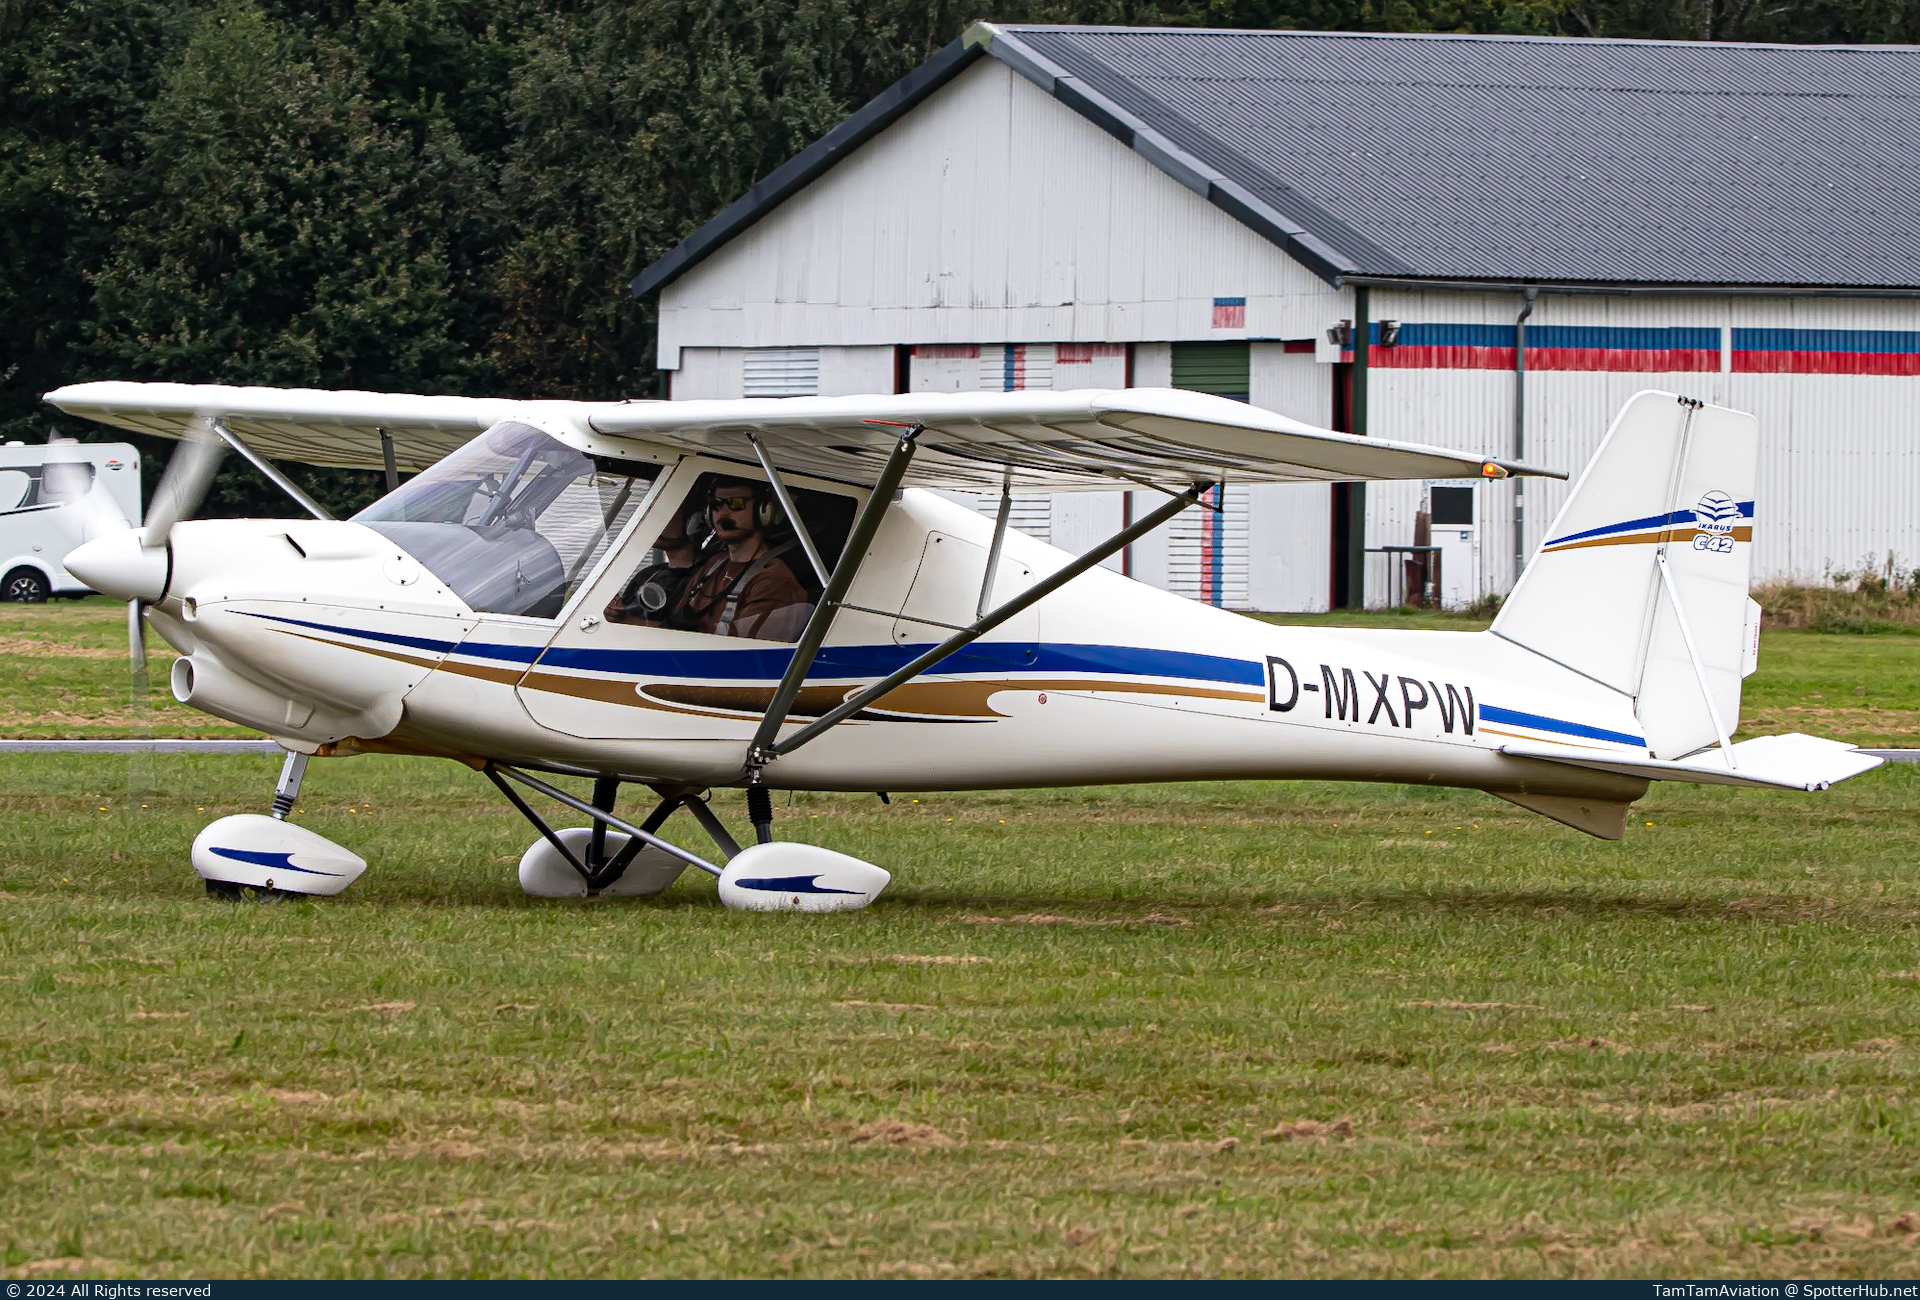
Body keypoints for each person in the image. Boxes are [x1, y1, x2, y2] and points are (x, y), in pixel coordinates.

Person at [666, 479, 811, 640]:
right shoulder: (714, 565)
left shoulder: (773, 579)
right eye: (716, 504)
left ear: (762, 511)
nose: (723, 513)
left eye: (735, 504)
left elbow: (743, 651)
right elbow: (674, 623)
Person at [604, 512, 703, 626]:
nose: (654, 523)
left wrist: (625, 619)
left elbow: (685, 633)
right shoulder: (648, 574)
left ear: (693, 522)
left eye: (665, 516)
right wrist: (614, 609)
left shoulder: (707, 578)